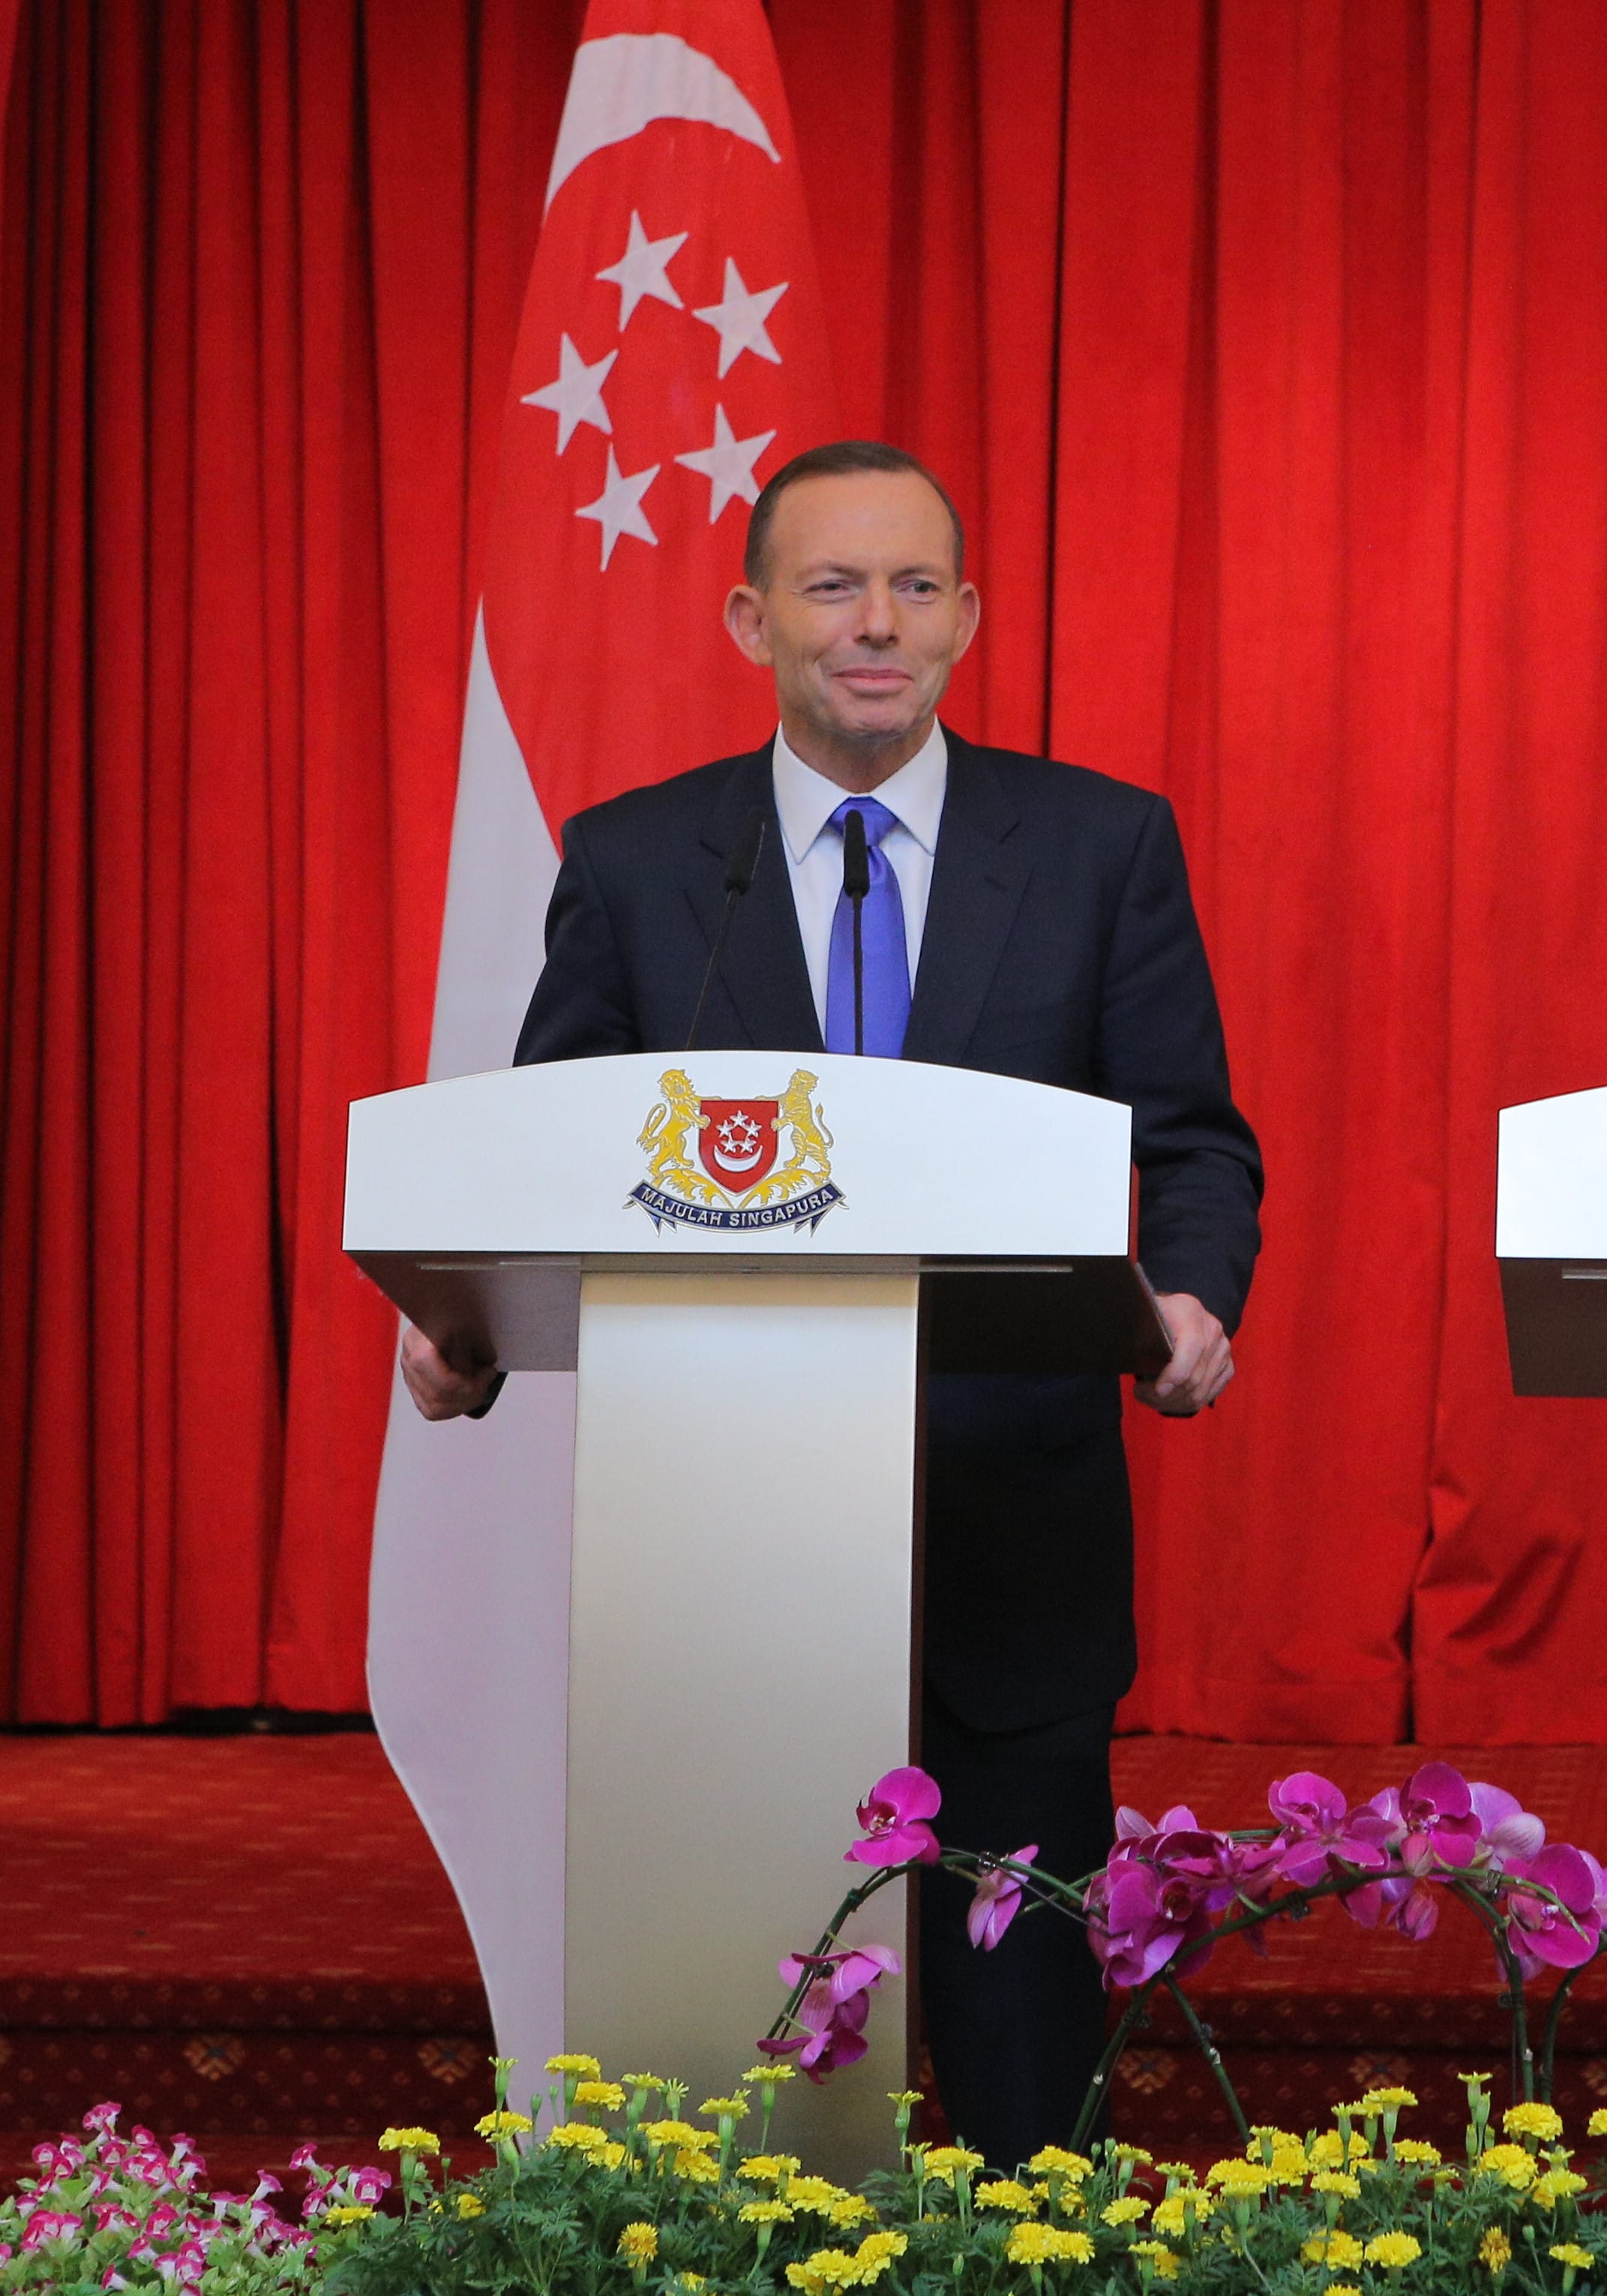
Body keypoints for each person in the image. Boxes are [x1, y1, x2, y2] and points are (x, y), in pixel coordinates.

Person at [399, 438, 1261, 2161]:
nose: (879, 625)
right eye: (833, 586)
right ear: (750, 616)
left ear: (969, 615)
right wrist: (465, 1329)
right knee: (744, 2025)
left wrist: (1189, 1297)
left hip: (1016, 1528)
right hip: (726, 1550)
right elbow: (538, 1156)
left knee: (1022, 2041)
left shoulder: (1100, 848)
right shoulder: (645, 865)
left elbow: (1194, 1139)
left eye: (916, 587)